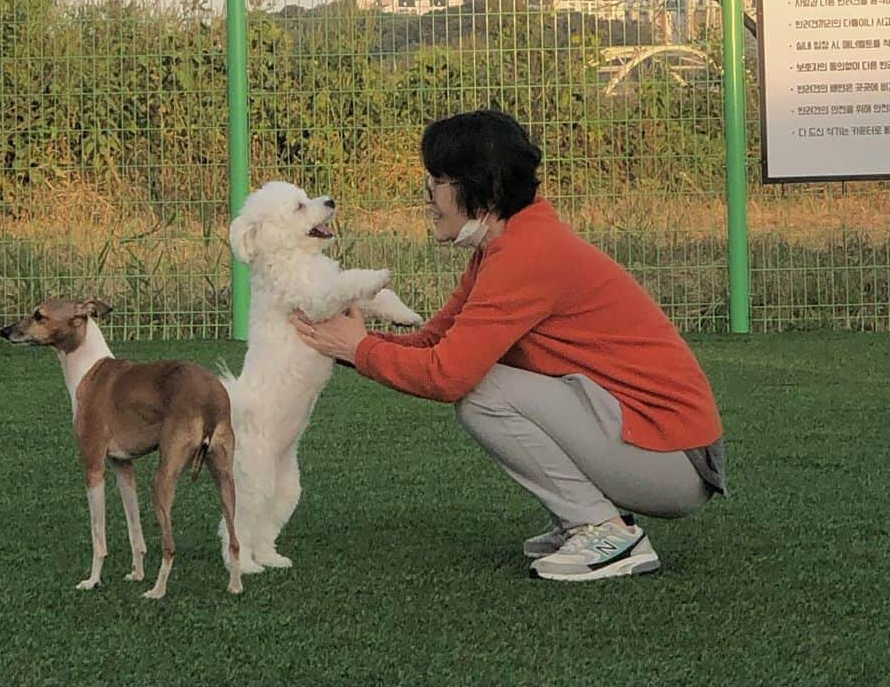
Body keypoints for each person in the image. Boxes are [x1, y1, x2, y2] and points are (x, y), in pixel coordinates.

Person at [293, 109, 725, 582]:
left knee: (480, 391)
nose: (428, 196)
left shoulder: (525, 254)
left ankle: (602, 531)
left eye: (437, 181)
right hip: (662, 447)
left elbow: (447, 373)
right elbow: (435, 341)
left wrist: (358, 349)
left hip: (675, 463)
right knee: (482, 384)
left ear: (482, 188)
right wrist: (353, 342)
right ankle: (590, 522)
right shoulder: (505, 246)